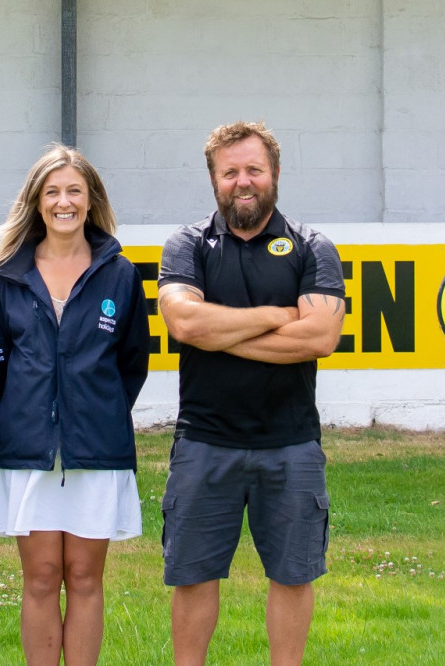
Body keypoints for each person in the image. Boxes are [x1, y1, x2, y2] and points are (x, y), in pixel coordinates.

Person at [157, 122, 346, 666]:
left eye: (253, 170)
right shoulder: (187, 244)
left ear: (275, 174)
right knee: (193, 576)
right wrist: (273, 317)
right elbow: (186, 325)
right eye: (230, 171)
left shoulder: (313, 247)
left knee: (292, 575)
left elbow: (320, 336)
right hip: (204, 442)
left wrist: (220, 332)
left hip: (290, 443)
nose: (243, 181)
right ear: (214, 179)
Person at [0, 144, 151, 665]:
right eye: (52, 192)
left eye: (74, 191)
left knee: (83, 576)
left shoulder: (119, 274)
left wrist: (89, 414)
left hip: (96, 451)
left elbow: (132, 364)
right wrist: (38, 415)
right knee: (40, 577)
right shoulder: (6, 277)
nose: (64, 202)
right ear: (36, 202)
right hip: (27, 450)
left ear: (91, 199)